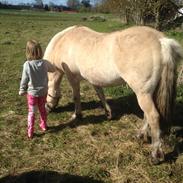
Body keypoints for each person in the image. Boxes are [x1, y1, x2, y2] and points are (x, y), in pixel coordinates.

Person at [19, 40, 54, 139]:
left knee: (32, 112)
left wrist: (22, 89)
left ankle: (30, 131)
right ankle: (44, 125)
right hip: (43, 92)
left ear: (28, 52)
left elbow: (24, 80)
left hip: (32, 94)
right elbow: (53, 69)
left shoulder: (27, 65)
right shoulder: (45, 63)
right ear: (40, 51)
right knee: (43, 109)